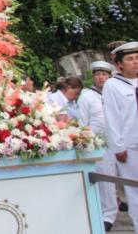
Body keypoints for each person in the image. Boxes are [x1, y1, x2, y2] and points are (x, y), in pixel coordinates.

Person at [79, 60, 118, 231]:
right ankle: (108, 215)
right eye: (98, 75)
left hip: (120, 141)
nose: (101, 78)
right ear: (93, 77)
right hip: (100, 144)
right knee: (106, 180)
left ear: (110, 76)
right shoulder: (86, 96)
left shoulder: (115, 92)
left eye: (104, 74)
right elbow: (82, 122)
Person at [104, 42, 138, 232]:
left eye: (137, 58)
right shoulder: (113, 85)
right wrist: (118, 147)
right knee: (135, 191)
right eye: (130, 59)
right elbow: (111, 117)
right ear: (119, 65)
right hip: (131, 146)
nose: (135, 62)